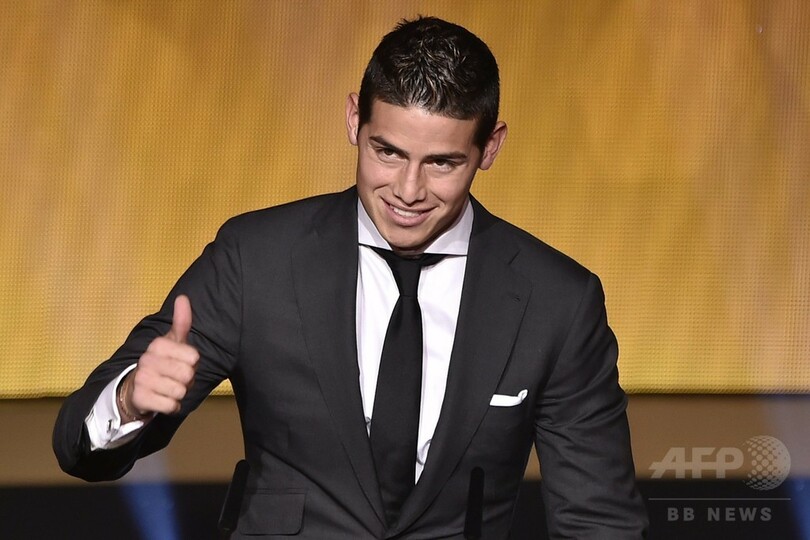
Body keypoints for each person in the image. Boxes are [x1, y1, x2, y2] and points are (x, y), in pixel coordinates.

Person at [53, 16, 648, 539]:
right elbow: (77, 446)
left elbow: (600, 519)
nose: (408, 191)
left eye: (442, 162)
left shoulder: (556, 301)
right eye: (387, 152)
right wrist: (129, 400)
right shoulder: (257, 259)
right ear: (353, 119)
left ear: (489, 148)